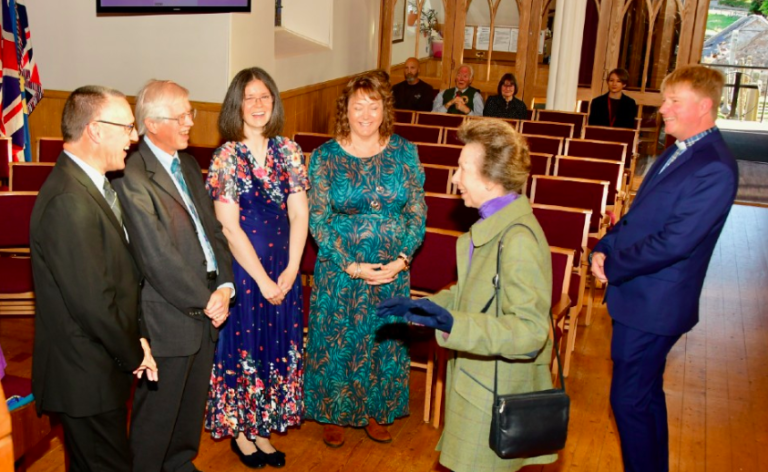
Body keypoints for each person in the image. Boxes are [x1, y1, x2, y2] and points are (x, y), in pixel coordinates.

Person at [377, 118, 556, 472]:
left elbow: (530, 331)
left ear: (491, 180)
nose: (455, 178)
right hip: (476, 383)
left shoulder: (518, 239)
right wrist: (428, 307)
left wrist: (454, 323)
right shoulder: (494, 224)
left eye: (462, 169)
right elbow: (478, 291)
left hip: (494, 394)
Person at [590, 65, 738, 472]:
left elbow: (674, 242)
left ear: (704, 107)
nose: (663, 109)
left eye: (674, 101)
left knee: (628, 401)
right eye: (664, 98)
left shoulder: (715, 167)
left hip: (656, 304)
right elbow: (638, 217)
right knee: (644, 396)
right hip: (640, 297)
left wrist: (614, 266)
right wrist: (604, 247)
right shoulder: (678, 149)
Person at [31, 85, 157, 472]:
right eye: (127, 127)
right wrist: (135, 351)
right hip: (84, 376)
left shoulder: (90, 186)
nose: (133, 138)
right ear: (95, 130)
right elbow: (93, 303)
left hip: (98, 367)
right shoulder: (69, 200)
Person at [112, 80, 235, 472]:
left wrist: (226, 286)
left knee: (189, 406)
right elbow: (157, 257)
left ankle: (179, 464)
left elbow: (214, 232)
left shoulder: (186, 163)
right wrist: (206, 298)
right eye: (180, 116)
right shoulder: (132, 175)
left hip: (206, 303)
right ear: (151, 123)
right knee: (157, 416)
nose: (190, 122)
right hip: (168, 312)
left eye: (190, 113)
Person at [303, 71, 427, 448]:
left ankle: (376, 411)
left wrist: (403, 259)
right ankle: (335, 412)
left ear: (385, 109)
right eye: (359, 106)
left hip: (391, 268)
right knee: (339, 340)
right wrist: (349, 264)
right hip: (340, 270)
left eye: (374, 106)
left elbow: (417, 210)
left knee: (381, 338)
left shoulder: (404, 151)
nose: (367, 114)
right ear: (346, 110)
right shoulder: (325, 156)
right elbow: (319, 219)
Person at [205, 67, 309, 469]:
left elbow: (300, 215)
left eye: (265, 96)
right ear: (237, 104)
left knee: (277, 346)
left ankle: (264, 429)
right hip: (246, 274)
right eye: (250, 97)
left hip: (284, 269)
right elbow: (229, 228)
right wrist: (264, 280)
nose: (259, 104)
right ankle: (242, 434)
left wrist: (292, 269)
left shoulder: (289, 151)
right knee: (246, 348)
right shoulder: (226, 157)